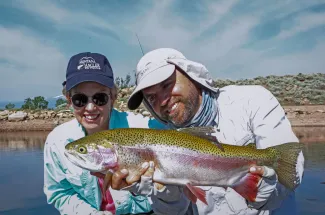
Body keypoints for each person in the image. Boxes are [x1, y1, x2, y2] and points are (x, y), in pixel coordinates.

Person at [109, 48, 304, 215]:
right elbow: (176, 212)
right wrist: (161, 190)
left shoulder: (252, 100)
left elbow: (292, 173)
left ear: (191, 75)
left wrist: (260, 188)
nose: (162, 101)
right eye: (151, 98)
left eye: (167, 85)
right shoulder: (164, 141)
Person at [43, 52, 167, 215]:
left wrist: (138, 189)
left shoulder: (147, 128)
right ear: (68, 99)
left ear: (113, 97)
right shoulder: (57, 142)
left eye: (99, 98)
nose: (90, 108)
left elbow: (172, 193)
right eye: (80, 99)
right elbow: (60, 193)